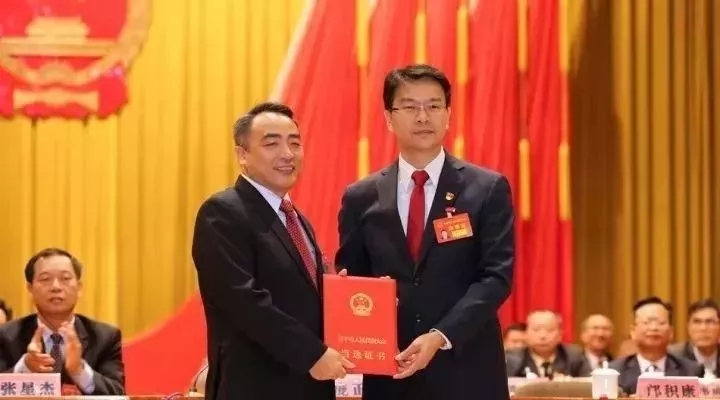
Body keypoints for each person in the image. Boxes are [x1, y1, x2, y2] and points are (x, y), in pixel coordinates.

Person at [336, 64, 515, 400]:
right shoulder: (361, 197)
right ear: (388, 118)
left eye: (433, 106)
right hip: (391, 371)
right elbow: (354, 277)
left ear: (448, 115)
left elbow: (496, 277)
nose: (423, 117)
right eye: (409, 107)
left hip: (467, 369)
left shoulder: (486, 188)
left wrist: (439, 335)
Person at [192, 102, 353, 400]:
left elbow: (301, 297)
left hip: (309, 386)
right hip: (256, 386)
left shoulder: (296, 219)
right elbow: (245, 302)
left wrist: (342, 296)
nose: (287, 153)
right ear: (242, 155)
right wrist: (311, 354)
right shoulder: (223, 213)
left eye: (295, 143)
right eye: (271, 143)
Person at [0, 248, 125, 395]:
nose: (56, 287)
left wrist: (79, 371)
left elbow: (117, 394)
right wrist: (25, 367)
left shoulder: (105, 337)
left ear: (79, 288)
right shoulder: (6, 336)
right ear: (30, 289)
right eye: (45, 279)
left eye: (65, 278)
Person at [609, 296, 703, 395]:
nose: (654, 328)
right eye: (647, 322)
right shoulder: (615, 371)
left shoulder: (691, 371)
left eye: (661, 323)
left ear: (671, 332)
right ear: (633, 331)